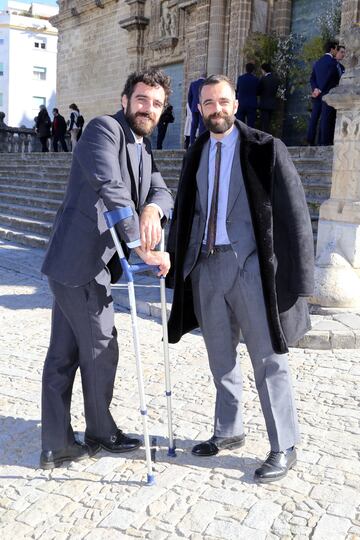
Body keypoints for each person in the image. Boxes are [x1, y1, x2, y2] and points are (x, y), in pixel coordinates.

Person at [166, 75, 314, 483]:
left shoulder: (266, 149)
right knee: (220, 357)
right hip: (206, 269)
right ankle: (229, 430)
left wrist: (302, 276)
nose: (217, 109)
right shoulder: (195, 152)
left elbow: (295, 214)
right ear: (200, 108)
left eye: (224, 101)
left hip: (250, 268)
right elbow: (185, 213)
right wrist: (177, 262)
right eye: (209, 102)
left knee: (269, 359)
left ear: (235, 103)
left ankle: (284, 445)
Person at [40, 69, 174, 470]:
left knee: (63, 355)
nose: (147, 108)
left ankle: (56, 444)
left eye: (156, 104)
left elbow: (162, 191)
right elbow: (109, 186)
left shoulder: (143, 148)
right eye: (141, 100)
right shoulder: (104, 130)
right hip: (81, 264)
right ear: (124, 100)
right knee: (101, 347)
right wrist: (141, 247)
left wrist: (152, 207)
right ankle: (100, 431)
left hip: (75, 265)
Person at [306, 41, 339, 146]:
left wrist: (315, 89)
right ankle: (323, 143)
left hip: (317, 95)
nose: (336, 51)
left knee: (314, 118)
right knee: (325, 118)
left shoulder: (318, 62)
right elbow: (328, 77)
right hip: (327, 94)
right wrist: (320, 89)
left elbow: (312, 78)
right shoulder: (333, 62)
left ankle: (309, 140)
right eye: (336, 49)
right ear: (332, 49)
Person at [235, 62, 259, 128]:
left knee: (240, 124)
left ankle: (241, 137)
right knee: (251, 125)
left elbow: (238, 89)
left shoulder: (240, 78)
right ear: (253, 70)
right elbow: (258, 91)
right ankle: (249, 137)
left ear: (246, 69)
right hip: (252, 104)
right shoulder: (256, 79)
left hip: (241, 103)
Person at [257, 63, 279, 134]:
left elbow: (259, 90)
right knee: (269, 122)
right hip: (272, 103)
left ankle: (264, 138)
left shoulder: (263, 79)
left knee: (264, 123)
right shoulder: (275, 79)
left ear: (263, 70)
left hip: (264, 103)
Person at [188, 73, 207, 144]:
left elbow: (189, 97)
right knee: (202, 126)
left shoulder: (193, 84)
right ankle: (200, 143)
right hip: (203, 107)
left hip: (194, 107)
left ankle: (191, 143)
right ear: (206, 77)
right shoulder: (206, 84)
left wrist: (191, 107)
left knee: (193, 126)